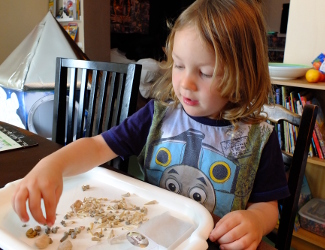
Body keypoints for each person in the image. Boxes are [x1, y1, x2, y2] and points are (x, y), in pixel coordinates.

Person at [12, 0, 289, 249]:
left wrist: (254, 221)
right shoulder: (157, 117)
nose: (186, 83)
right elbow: (97, 147)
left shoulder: (258, 138)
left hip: (215, 242)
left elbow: (267, 206)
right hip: (153, 239)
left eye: (205, 73)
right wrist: (53, 165)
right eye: (179, 66)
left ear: (243, 73)